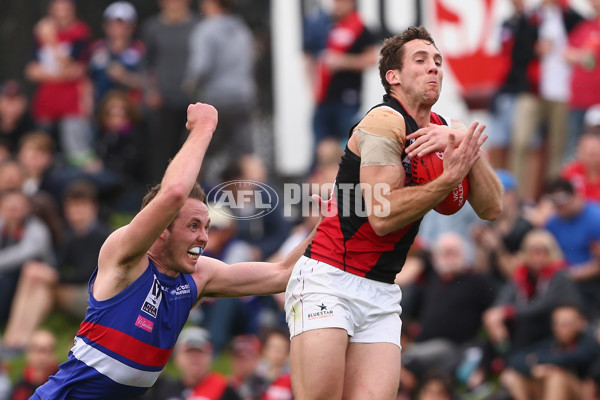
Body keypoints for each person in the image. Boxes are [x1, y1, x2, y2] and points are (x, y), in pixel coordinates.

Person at [30, 102, 317, 399]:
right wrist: (204, 127)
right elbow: (174, 193)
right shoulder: (126, 258)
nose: (204, 237)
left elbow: (281, 274)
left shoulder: (198, 276)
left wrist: (329, 222)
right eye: (193, 225)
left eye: (206, 226)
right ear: (162, 229)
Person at [284, 26, 503, 400]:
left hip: (382, 289)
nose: (433, 68)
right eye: (420, 61)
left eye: (437, 61)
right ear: (394, 77)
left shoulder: (443, 131)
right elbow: (382, 217)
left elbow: (492, 207)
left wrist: (463, 142)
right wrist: (447, 179)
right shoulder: (383, 122)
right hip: (330, 277)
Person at [2, 180, 110, 351]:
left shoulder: (103, 236)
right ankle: (12, 338)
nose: (76, 213)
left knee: (45, 284)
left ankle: (20, 341)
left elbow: (89, 274)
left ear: (93, 208)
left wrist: (54, 276)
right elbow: (59, 265)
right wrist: (47, 273)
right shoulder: (71, 235)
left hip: (96, 298)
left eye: (81, 207)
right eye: (72, 208)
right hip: (76, 290)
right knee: (33, 276)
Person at [183, 0, 257, 184]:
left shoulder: (206, 30)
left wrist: (189, 84)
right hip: (243, 97)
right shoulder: (242, 29)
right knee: (246, 155)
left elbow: (201, 67)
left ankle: (190, 199)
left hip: (216, 100)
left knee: (196, 150)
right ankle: (254, 205)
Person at [303, 0, 378, 147]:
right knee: (321, 146)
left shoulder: (360, 28)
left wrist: (343, 62)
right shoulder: (323, 27)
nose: (337, 6)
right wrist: (312, 87)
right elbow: (309, 58)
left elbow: (371, 59)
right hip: (324, 98)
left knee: (347, 144)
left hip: (348, 99)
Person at [500, 305, 600, 400]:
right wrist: (534, 370)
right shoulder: (552, 343)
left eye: (565, 325)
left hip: (582, 391)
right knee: (516, 378)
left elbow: (571, 358)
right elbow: (515, 359)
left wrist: (537, 361)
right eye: (557, 324)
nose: (559, 329)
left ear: (579, 323)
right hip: (549, 388)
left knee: (556, 377)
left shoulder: (589, 343)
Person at [140, 327, 240, 400]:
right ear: (176, 358)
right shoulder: (162, 387)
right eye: (189, 353)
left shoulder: (225, 390)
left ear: (210, 357)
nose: (195, 358)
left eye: (200, 353)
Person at [88, 1, 145, 109]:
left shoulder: (139, 49)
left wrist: (125, 77)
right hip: (100, 109)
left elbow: (148, 81)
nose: (117, 29)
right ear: (105, 26)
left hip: (131, 110)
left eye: (122, 25)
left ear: (131, 27)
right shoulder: (96, 49)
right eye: (113, 24)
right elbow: (87, 78)